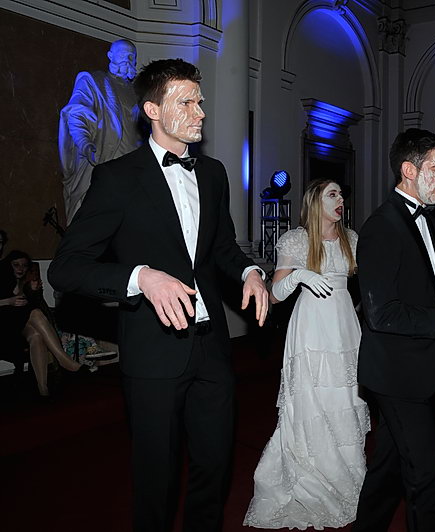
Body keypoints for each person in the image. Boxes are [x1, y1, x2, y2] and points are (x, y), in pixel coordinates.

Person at [48, 58, 269, 532]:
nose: (200, 112)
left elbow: (222, 247)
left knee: (215, 467)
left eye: (200, 102)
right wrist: (141, 277)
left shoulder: (214, 173)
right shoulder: (117, 178)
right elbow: (66, 268)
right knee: (157, 478)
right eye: (186, 103)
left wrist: (250, 271)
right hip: (153, 352)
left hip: (212, 347)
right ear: (152, 109)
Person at [352, 128, 435, 531]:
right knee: (426, 476)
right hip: (395, 374)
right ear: (409, 170)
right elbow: (382, 314)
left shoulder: (431, 224)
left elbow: (427, 293)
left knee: (388, 469)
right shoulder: (381, 226)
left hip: (420, 367)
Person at [244, 180, 369, 529]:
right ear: (315, 201)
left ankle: (348, 479)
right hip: (311, 328)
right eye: (332, 194)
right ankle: (311, 479)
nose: (341, 200)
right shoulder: (297, 240)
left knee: (346, 398)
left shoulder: (351, 238)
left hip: (345, 325)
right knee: (313, 401)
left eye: (342, 194)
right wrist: (300, 274)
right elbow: (275, 295)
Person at [58, 39, 142, 224]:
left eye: (131, 56)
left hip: (134, 170)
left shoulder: (139, 93)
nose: (127, 59)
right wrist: (85, 144)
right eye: (122, 54)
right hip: (103, 162)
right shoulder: (93, 81)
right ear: (110, 56)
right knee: (95, 224)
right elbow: (77, 115)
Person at [0, 250, 85, 397]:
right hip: (4, 328)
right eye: (16, 265)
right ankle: (64, 360)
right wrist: (8, 301)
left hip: (20, 326)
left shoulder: (26, 282)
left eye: (24, 265)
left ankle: (43, 389)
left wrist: (33, 292)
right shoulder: (2, 279)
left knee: (36, 335)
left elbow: (32, 305)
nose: (20, 268)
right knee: (35, 313)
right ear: (9, 265)